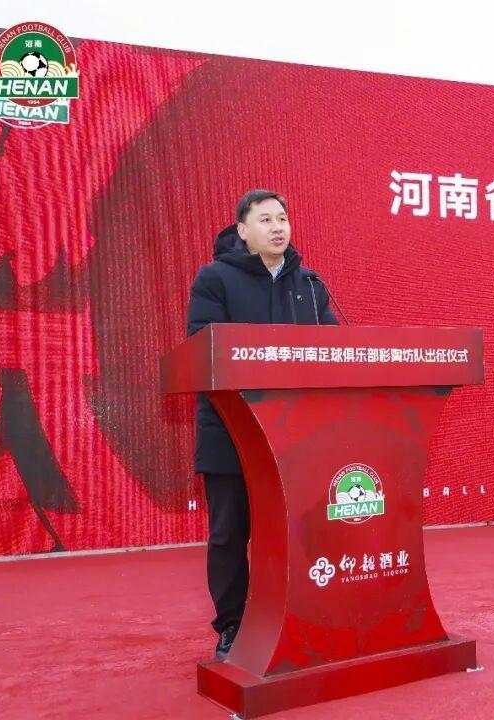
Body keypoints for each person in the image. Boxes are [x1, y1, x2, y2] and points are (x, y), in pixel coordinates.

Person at [186, 189, 339, 659]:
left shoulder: (309, 284)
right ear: (243, 230)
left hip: (295, 437)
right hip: (232, 433)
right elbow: (203, 350)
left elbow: (335, 351)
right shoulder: (214, 278)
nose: (278, 228)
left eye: (283, 219)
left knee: (297, 529)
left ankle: (300, 613)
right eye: (266, 220)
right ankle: (233, 625)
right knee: (231, 535)